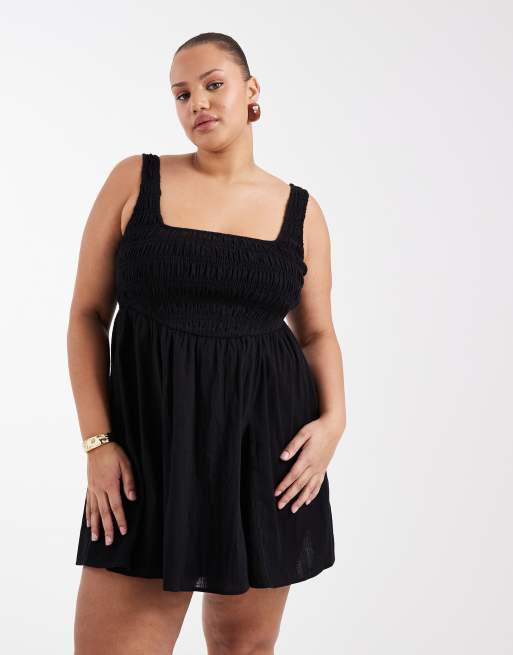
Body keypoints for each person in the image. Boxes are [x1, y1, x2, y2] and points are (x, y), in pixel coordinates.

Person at [69, 31, 346, 655]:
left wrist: (335, 421)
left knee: (244, 649)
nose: (198, 102)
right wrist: (98, 443)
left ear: (251, 91)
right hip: (145, 457)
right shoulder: (135, 180)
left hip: (263, 453)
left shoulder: (301, 211)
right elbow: (87, 315)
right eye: (182, 93)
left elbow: (318, 332)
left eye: (214, 84)